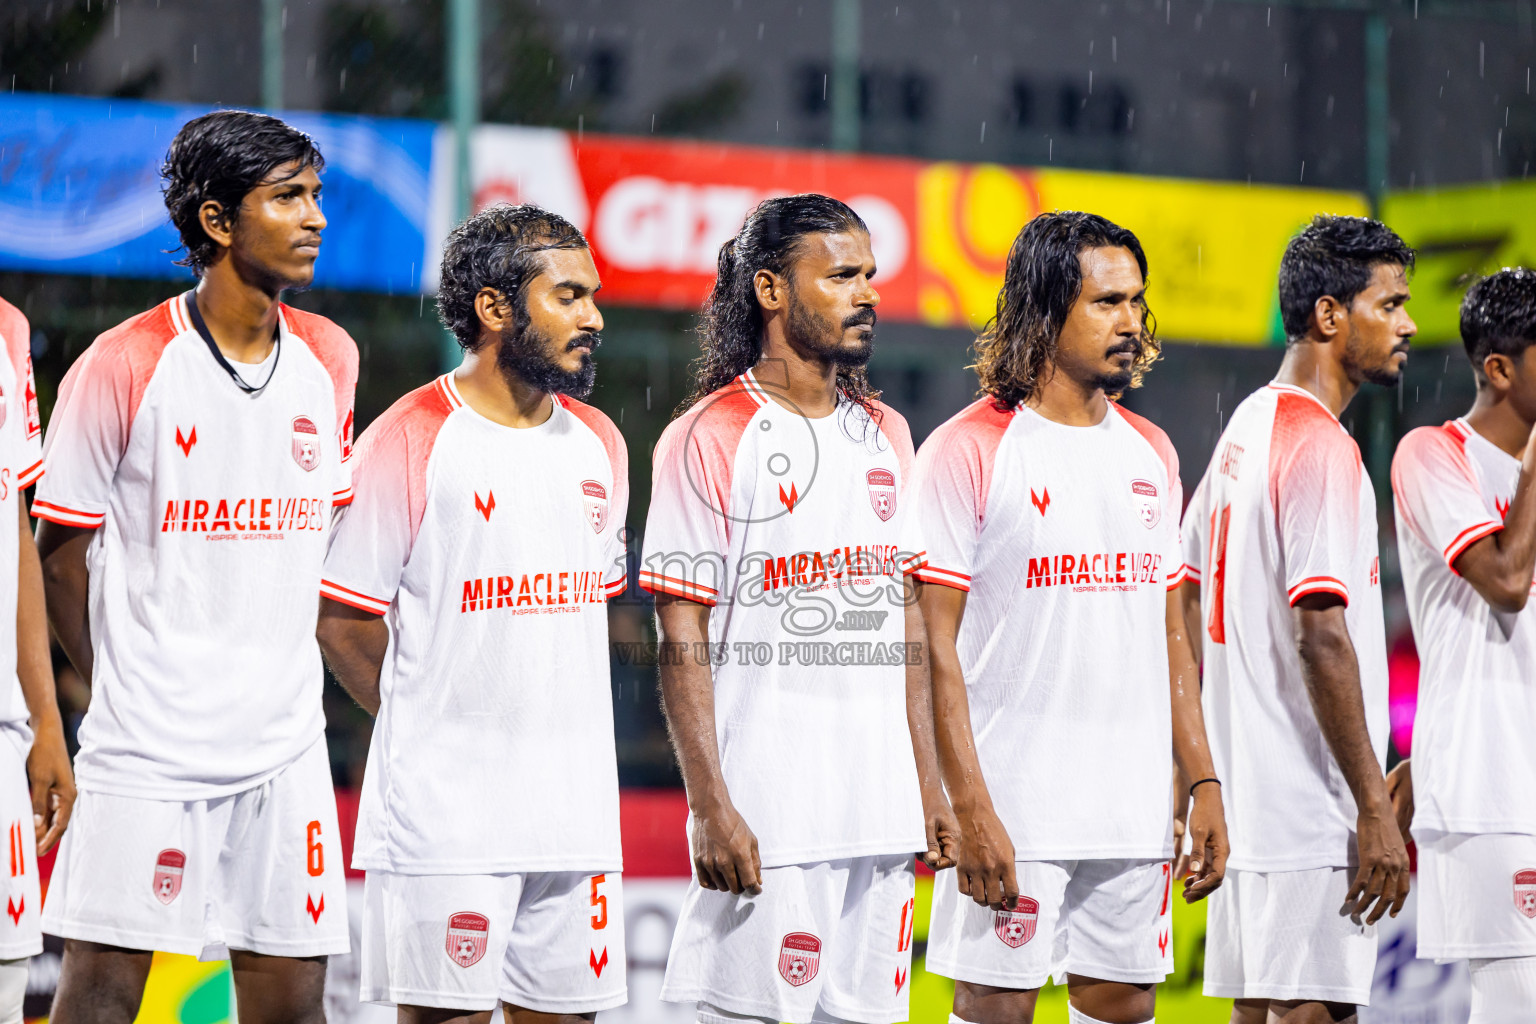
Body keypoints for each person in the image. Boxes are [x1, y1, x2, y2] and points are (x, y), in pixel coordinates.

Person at [32, 110, 355, 1023]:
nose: (314, 217)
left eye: (315, 195)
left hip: (287, 746)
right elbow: (59, 560)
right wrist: (123, 683)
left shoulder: (331, 357)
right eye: (286, 197)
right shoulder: (123, 363)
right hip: (147, 748)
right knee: (102, 997)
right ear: (216, 220)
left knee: (294, 1004)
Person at [639, 194, 957, 1024]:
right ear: (772, 290)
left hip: (880, 821)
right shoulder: (707, 435)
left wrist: (926, 784)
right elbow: (680, 632)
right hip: (769, 820)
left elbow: (905, 621)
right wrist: (710, 805)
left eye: (870, 276)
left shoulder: (887, 433)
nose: (868, 294)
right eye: (842, 276)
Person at [905, 211, 1228, 1024]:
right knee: (997, 1009)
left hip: (1130, 809)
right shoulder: (966, 449)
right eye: (1107, 302)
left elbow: (1170, 636)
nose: (1132, 322)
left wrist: (1202, 781)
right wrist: (969, 806)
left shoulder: (1153, 451)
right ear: (1046, 311)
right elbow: (932, 647)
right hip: (1015, 806)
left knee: (1124, 1005)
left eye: (1136, 301)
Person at [316, 204, 629, 1021]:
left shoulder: (601, 442)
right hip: (445, 825)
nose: (594, 318)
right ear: (495, 308)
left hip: (577, 818)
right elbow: (342, 621)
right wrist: (431, 723)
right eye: (569, 296)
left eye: (593, 296)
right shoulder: (407, 438)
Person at [1181, 214, 1416, 1024]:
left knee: (1261, 1013)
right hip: (1309, 818)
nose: (1408, 325)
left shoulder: (1246, 426)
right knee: (1314, 1013)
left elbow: (1182, 592)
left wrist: (1205, 770)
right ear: (1328, 315)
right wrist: (1372, 808)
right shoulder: (1319, 446)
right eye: (1390, 304)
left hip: (1250, 806)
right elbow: (1320, 638)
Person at [1389, 267, 1536, 1024]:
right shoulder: (1432, 454)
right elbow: (1506, 581)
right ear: (1500, 368)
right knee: (1518, 1002)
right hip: (1490, 786)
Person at [0, 298, 75, 1022]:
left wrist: (45, 720)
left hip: (2, 734)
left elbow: (14, 533)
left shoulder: (8, 329)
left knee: (6, 985)